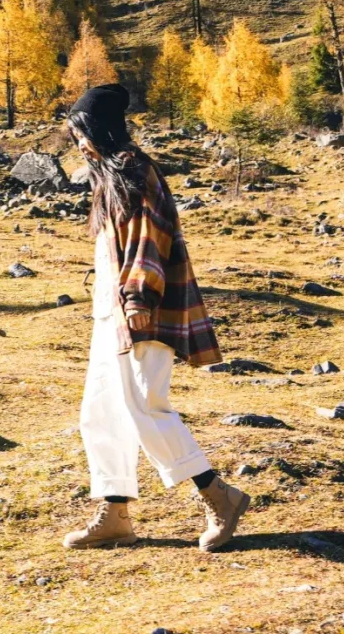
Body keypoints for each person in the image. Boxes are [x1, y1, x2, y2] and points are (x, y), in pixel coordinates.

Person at [61, 83, 250, 553]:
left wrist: (138, 299)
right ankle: (115, 515)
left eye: (81, 133)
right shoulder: (111, 174)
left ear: (100, 129)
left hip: (142, 307)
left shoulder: (133, 168)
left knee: (145, 403)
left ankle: (219, 495)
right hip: (112, 310)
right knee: (101, 411)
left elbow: (149, 238)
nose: (79, 144)